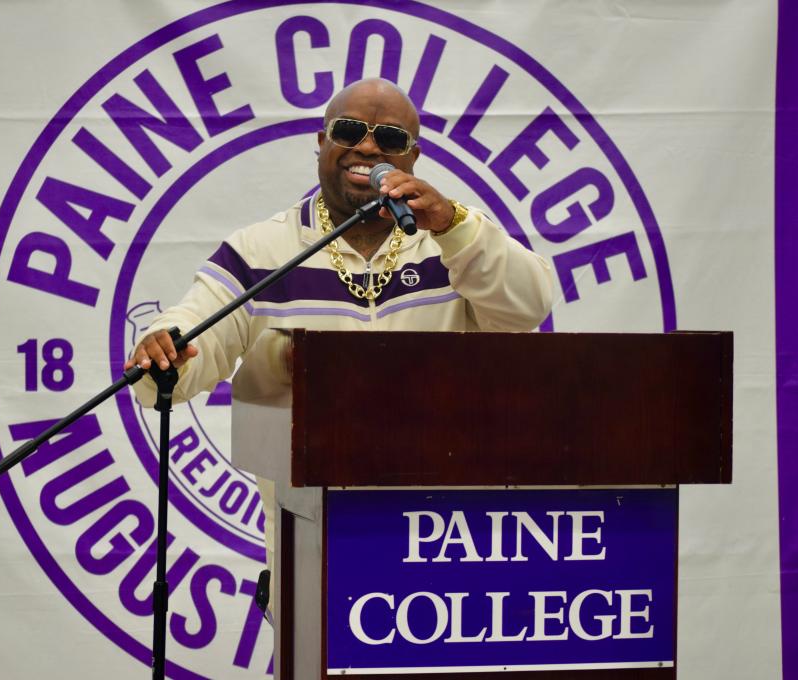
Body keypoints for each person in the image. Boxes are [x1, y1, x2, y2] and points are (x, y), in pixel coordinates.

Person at [124, 77, 554, 614]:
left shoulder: (454, 240)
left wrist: (452, 224)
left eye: (390, 139)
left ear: (412, 157)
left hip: (443, 551)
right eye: (349, 131)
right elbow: (193, 330)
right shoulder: (261, 250)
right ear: (322, 143)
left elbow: (528, 305)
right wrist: (163, 344)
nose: (368, 148)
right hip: (310, 552)